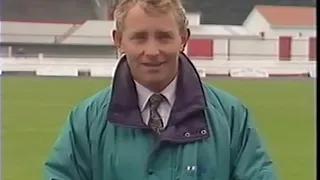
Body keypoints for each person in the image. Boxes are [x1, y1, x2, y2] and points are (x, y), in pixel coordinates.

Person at [43, 0, 278, 179]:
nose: (152, 51)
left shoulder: (231, 116)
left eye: (164, 37)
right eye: (139, 38)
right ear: (119, 41)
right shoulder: (86, 120)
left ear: (183, 39)